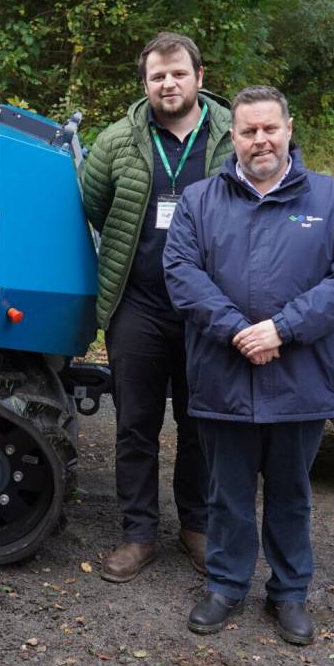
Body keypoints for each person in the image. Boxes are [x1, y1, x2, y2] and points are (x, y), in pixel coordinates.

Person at [164, 85, 334, 645]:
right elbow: (181, 273)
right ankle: (226, 586)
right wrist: (237, 330)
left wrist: (283, 328)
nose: (261, 140)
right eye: (249, 131)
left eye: (270, 129)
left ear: (289, 129)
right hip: (223, 375)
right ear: (233, 136)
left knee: (291, 493)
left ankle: (289, 592)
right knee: (226, 491)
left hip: (299, 378)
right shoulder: (200, 200)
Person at [79, 32, 233, 582]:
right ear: (145, 83)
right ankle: (139, 534)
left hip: (210, 310)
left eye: (178, 73)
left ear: (199, 75)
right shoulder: (117, 140)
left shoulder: (235, 135)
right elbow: (93, 207)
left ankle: (196, 526)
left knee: (201, 425)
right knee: (136, 426)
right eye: (157, 76)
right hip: (138, 305)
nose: (168, 83)